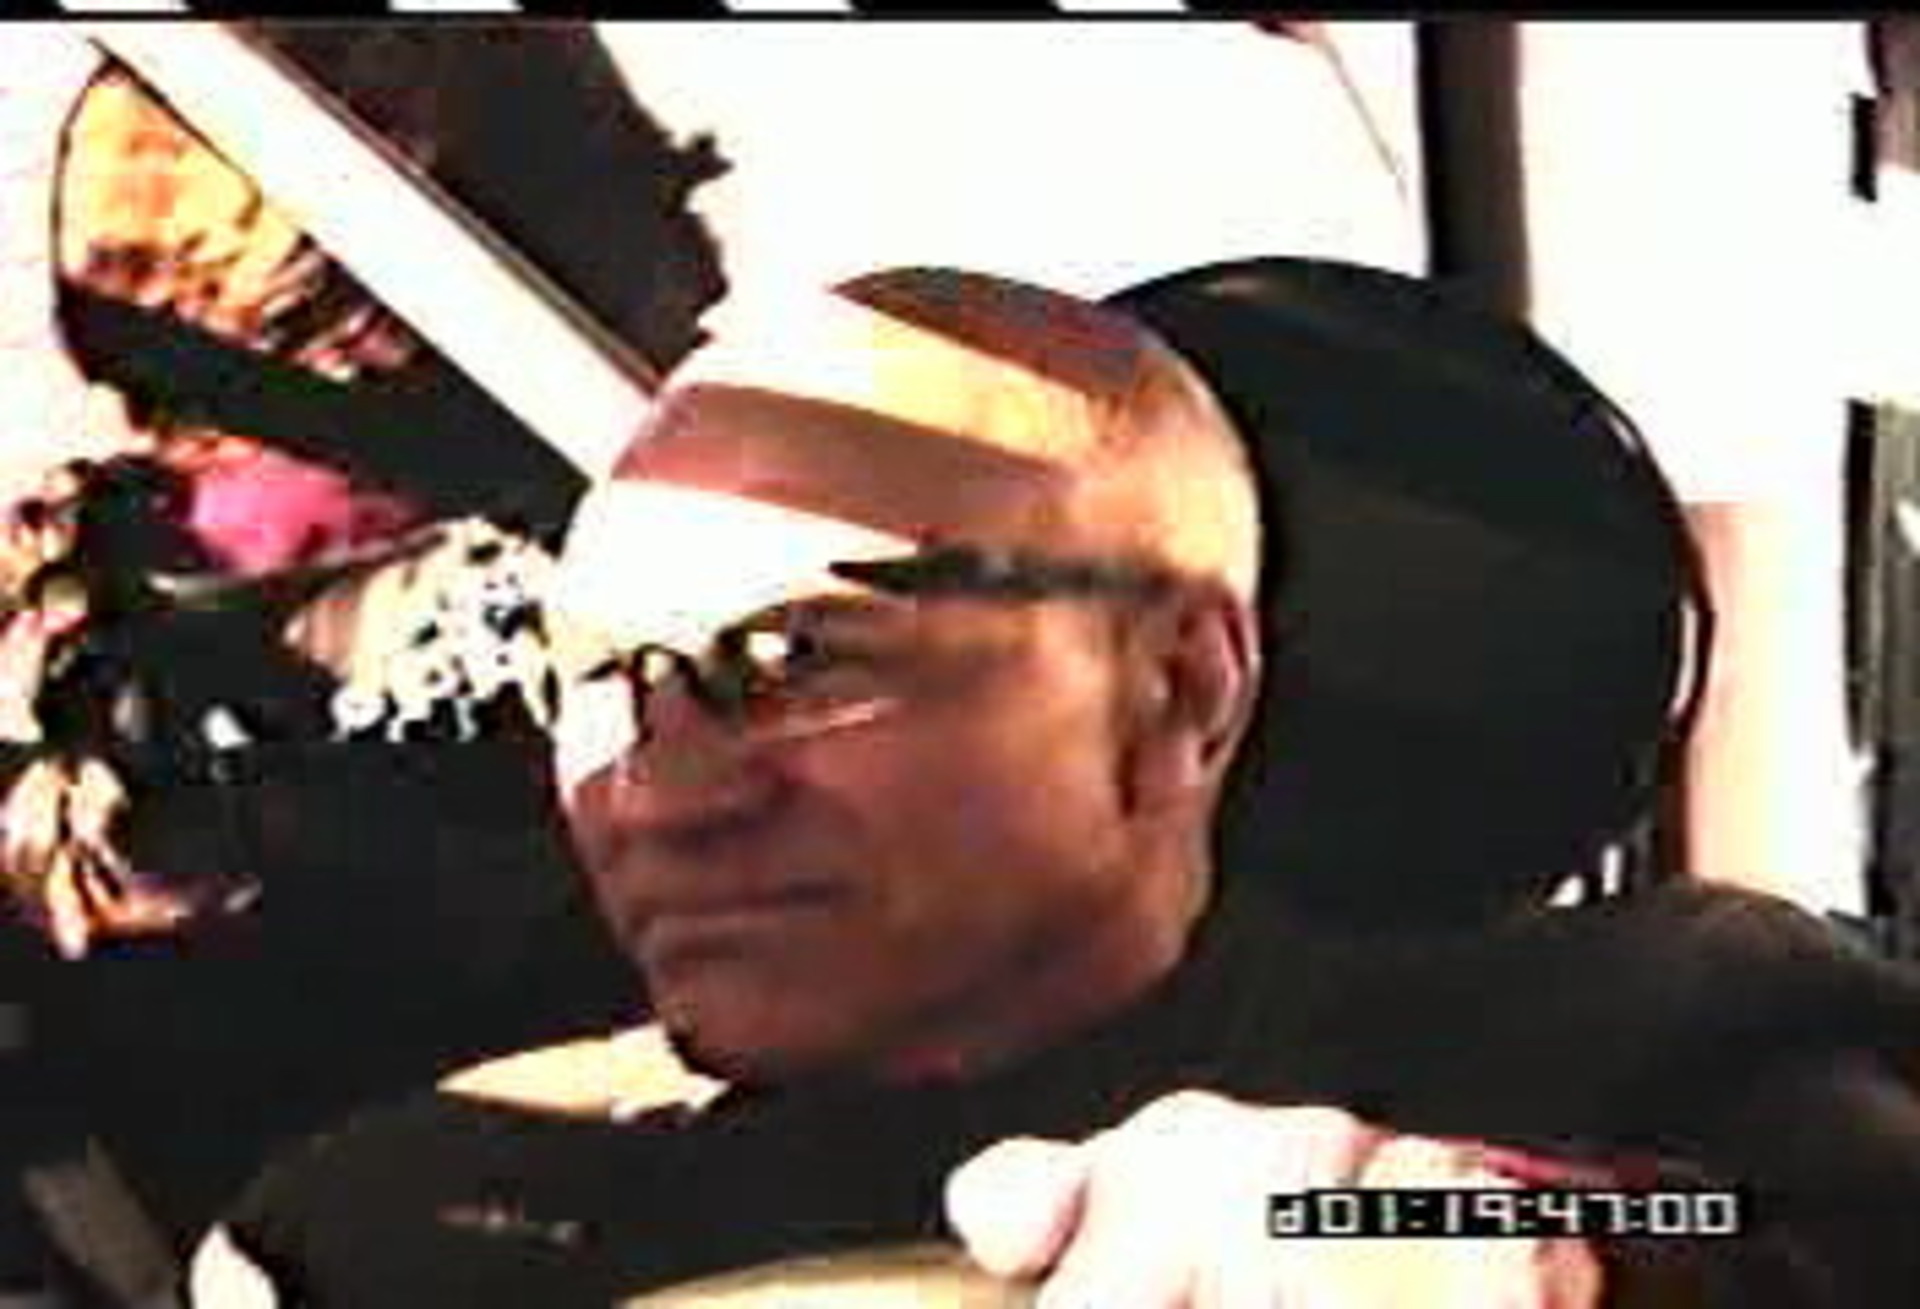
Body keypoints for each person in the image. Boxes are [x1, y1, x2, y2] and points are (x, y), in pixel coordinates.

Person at [190, 266, 1920, 1307]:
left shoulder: (1648, 1037)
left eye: (794, 657)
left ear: (1178, 687)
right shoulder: (387, 1231)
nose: (655, 792)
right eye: (596, 678)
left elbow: (1796, 1228)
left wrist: (1484, 1238)